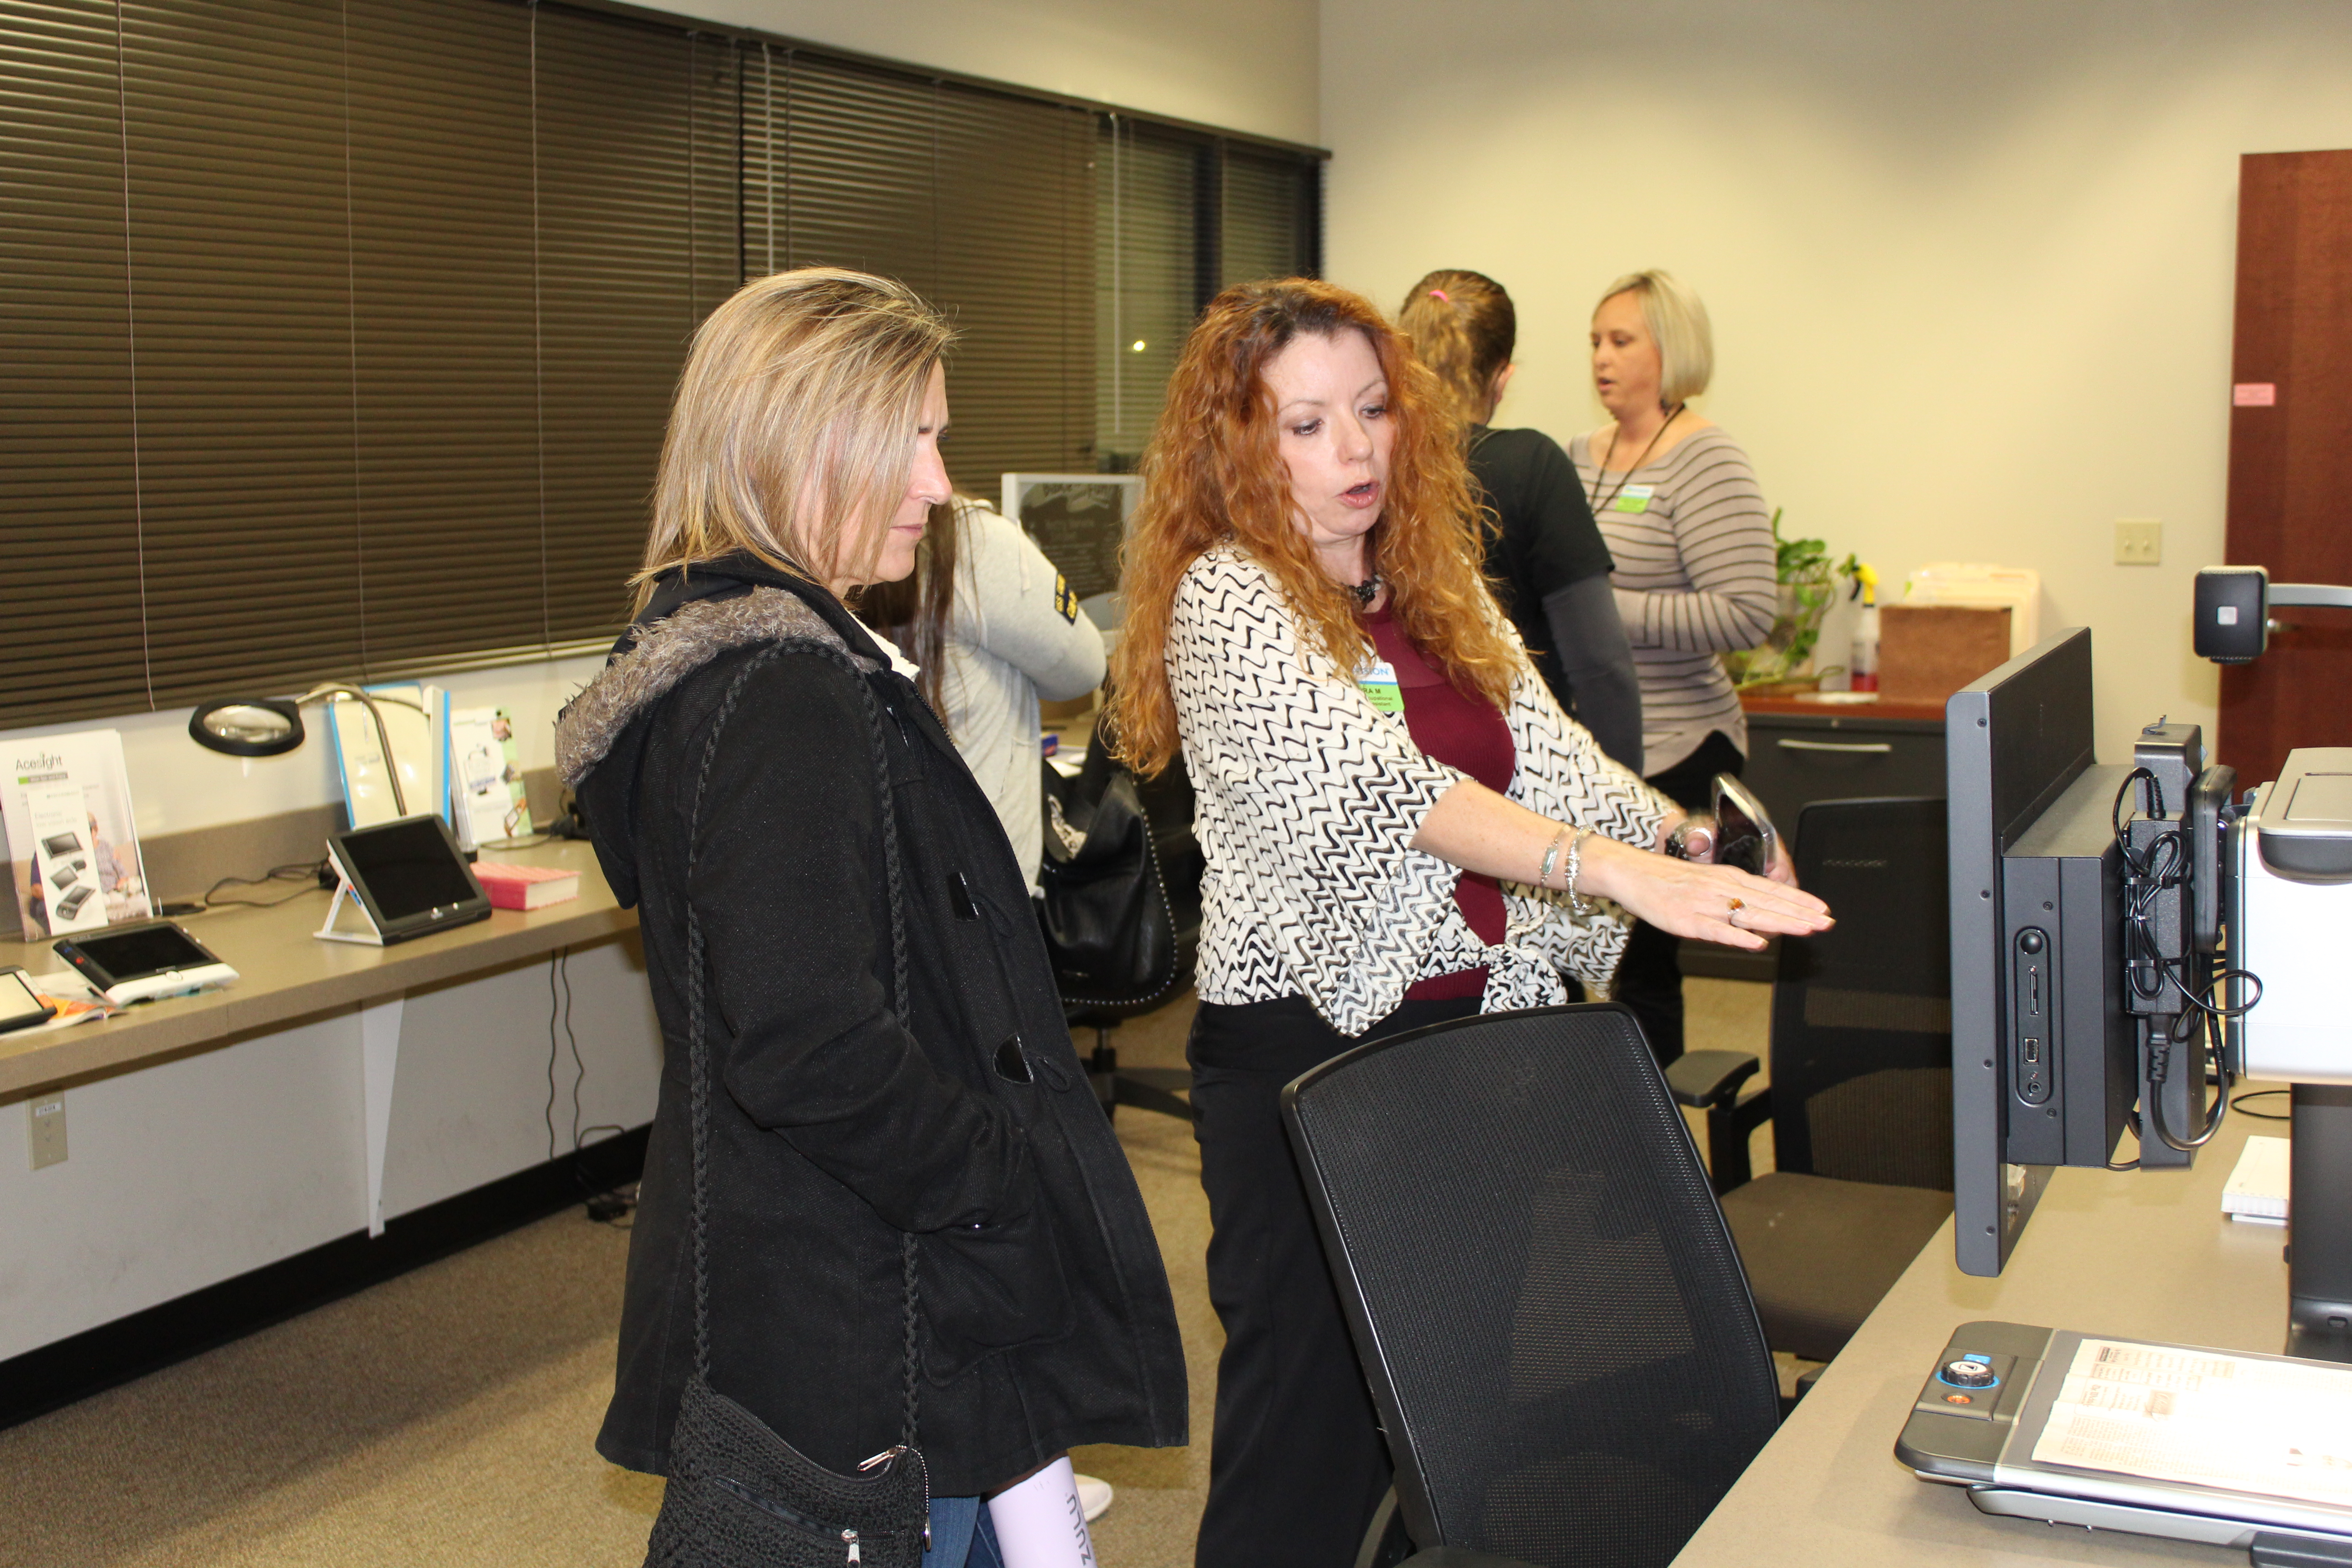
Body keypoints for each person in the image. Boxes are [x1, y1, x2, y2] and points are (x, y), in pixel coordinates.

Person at [1106, 278, 1829, 1568]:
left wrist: (1674, 834)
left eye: (1375, 411)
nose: (1359, 450)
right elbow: (1391, 789)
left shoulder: (1427, 583)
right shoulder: (1229, 602)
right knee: (1310, 1442)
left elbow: (1545, 755)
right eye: (1308, 425)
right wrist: (1610, 873)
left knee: (1458, 1424)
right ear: (1237, 446)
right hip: (1309, 1060)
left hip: (1468, 1053)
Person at [554, 268, 1186, 1568]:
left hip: (811, 1262)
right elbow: (806, 1045)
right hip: (866, 1303)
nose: (939, 485)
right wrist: (998, 1174)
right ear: (805, 439)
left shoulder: (709, 654)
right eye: (915, 436)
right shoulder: (790, 694)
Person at [1571, 268, 1779, 1067]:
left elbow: (1745, 611)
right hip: (1593, 748)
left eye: (1621, 340)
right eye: (1594, 340)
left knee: (1643, 964)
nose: (1601, 357)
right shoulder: (1573, 456)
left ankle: (1649, 1149)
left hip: (1680, 743)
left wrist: (1599, 611)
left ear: (1672, 351)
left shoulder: (1705, 458)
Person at [1397, 269, 1643, 772]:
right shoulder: (1532, 466)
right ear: (1502, 378)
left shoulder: (1362, 467)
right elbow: (1601, 666)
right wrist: (1627, 808)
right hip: (1519, 773)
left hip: (1394, 773)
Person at [858, 495, 1107, 893]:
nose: (939, 485)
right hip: (987, 888)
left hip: (893, 880)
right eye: (921, 433)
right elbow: (1086, 668)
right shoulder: (974, 543)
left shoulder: (819, 545)